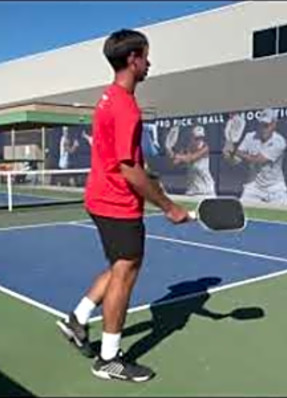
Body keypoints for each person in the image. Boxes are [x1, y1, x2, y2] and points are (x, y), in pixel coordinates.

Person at [55, 29, 189, 382]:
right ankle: (109, 359)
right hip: (117, 202)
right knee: (126, 273)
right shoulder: (127, 107)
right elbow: (128, 170)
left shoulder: (107, 98)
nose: (149, 63)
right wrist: (167, 205)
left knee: (119, 266)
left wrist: (148, 176)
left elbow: (125, 160)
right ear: (133, 59)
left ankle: (78, 318)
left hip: (99, 197)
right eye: (146, 57)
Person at [223, 108, 287, 204]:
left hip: (276, 187)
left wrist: (234, 151)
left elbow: (258, 160)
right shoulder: (249, 137)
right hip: (253, 186)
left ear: (274, 124)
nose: (263, 129)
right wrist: (229, 155)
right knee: (242, 211)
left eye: (267, 125)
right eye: (262, 125)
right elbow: (235, 161)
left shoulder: (279, 141)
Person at [172, 125, 216, 197]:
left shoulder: (205, 148)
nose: (199, 140)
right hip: (192, 191)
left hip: (206, 190)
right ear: (191, 138)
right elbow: (175, 162)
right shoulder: (187, 148)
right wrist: (171, 153)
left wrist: (177, 156)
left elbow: (191, 158)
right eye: (197, 138)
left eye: (201, 138)